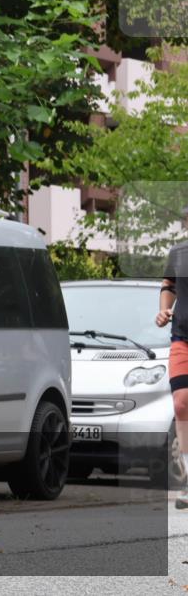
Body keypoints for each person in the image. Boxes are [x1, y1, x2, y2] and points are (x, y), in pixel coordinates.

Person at [156, 207, 188, 509]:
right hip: (182, 337)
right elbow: (169, 285)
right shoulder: (178, 253)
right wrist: (164, 310)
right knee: (181, 402)